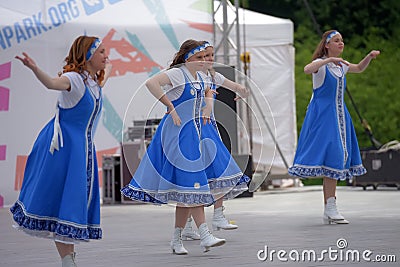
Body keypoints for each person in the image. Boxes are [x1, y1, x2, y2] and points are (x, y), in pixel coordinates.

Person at [121, 39, 250, 254]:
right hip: (177, 135)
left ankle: (177, 239)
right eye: (199, 57)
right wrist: (170, 106)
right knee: (193, 185)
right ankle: (205, 233)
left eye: (205, 57)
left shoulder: (201, 77)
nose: (203, 61)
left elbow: (211, 92)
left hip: (196, 135)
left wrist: (227, 96)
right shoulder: (176, 74)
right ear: (187, 57)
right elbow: (151, 83)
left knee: (186, 191)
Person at [10, 35, 109, 267]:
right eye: (102, 52)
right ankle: (68, 260)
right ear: (87, 55)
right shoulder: (73, 79)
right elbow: (52, 84)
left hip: (81, 149)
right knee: (63, 201)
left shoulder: (93, 83)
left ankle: (68, 259)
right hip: (63, 148)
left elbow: (101, 78)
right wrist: (35, 69)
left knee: (70, 202)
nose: (106, 56)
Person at [288, 30, 380, 224]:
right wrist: (327, 61)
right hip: (323, 117)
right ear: (327, 45)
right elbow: (307, 69)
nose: (341, 43)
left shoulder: (341, 66)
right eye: (337, 41)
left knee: (336, 158)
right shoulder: (322, 66)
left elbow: (358, 68)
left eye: (342, 41)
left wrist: (369, 57)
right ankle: (331, 207)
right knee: (333, 156)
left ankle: (330, 207)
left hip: (339, 117)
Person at [182, 41, 250, 241]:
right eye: (204, 56)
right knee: (194, 178)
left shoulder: (213, 76)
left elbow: (236, 86)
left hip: (209, 129)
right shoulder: (189, 75)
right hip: (193, 131)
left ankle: (218, 215)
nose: (208, 60)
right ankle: (186, 224)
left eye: (211, 56)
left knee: (219, 170)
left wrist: (243, 90)